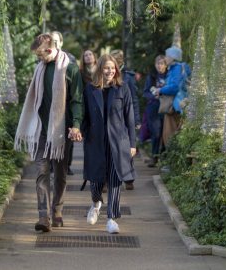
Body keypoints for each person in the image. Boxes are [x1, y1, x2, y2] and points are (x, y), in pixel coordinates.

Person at [14, 33, 83, 232]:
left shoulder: (69, 69)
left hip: (61, 131)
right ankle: (43, 215)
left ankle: (57, 210)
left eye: (41, 55)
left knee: (60, 173)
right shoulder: (40, 69)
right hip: (41, 130)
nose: (39, 59)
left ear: (50, 48)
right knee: (42, 172)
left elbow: (77, 99)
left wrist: (76, 124)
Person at [82, 54, 136, 234]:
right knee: (95, 180)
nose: (110, 71)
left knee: (114, 179)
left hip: (117, 142)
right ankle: (96, 202)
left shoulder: (123, 88)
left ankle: (112, 219)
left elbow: (130, 117)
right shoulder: (90, 89)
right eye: (106, 68)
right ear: (100, 69)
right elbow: (85, 115)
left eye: (113, 68)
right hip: (95, 141)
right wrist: (80, 132)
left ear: (117, 70)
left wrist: (133, 144)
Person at [110, 49, 140, 190]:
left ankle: (129, 177)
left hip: (126, 114)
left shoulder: (128, 76)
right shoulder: (107, 73)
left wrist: (137, 119)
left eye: (116, 59)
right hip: (114, 116)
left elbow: (134, 99)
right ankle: (108, 177)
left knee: (127, 147)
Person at [152, 46, 189, 148]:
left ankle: (173, 159)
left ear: (173, 57)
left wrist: (161, 90)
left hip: (175, 106)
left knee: (171, 133)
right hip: (173, 105)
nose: (165, 58)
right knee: (169, 133)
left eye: (167, 56)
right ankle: (170, 158)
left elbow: (175, 87)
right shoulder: (173, 68)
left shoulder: (176, 68)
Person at [51, 30, 77, 175]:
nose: (54, 44)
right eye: (51, 40)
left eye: (56, 41)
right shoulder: (44, 59)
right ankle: (52, 164)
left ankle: (67, 164)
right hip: (51, 105)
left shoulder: (70, 58)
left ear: (61, 42)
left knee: (68, 138)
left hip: (66, 103)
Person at [143, 55, 167, 167]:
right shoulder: (152, 77)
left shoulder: (169, 75)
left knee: (166, 133)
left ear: (166, 65)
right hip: (154, 107)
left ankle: (164, 157)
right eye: (158, 63)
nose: (159, 65)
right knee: (156, 133)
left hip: (167, 107)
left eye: (162, 63)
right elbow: (146, 92)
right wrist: (154, 96)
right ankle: (154, 157)